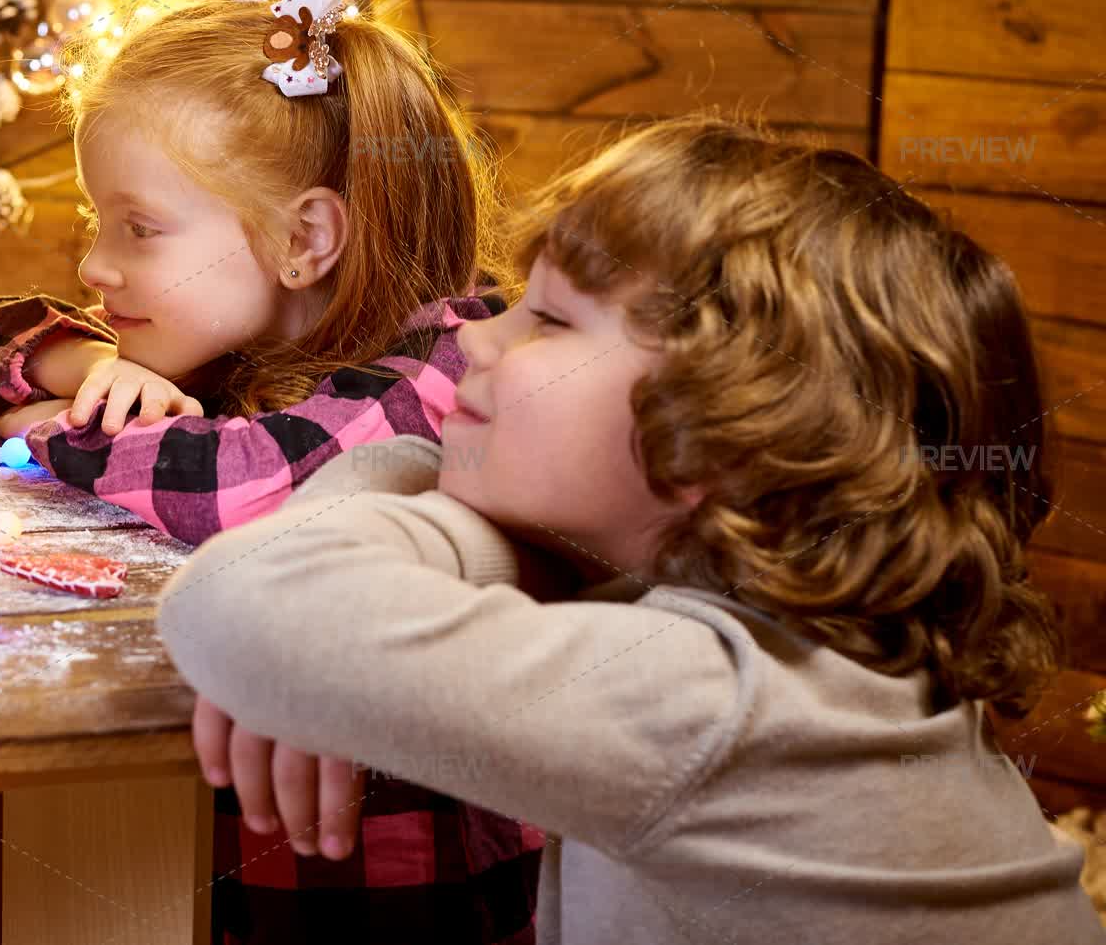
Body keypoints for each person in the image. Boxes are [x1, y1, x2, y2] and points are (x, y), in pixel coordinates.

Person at [159, 116, 1106, 942]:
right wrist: (343, 639)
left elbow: (241, 602)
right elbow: (289, 620)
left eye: (553, 322)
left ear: (726, 435)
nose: (475, 338)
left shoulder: (717, 705)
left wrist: (310, 661)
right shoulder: (806, 654)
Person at [0, 0, 542, 941]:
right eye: (98, 221)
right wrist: (88, 372)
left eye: (139, 227)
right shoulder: (240, 338)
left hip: (404, 890)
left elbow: (241, 483)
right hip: (238, 858)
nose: (95, 262)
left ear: (306, 239)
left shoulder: (448, 367)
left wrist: (62, 435)